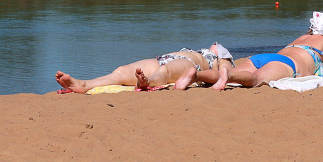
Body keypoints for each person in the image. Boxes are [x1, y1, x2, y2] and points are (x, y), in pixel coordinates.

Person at [195, 12, 323, 90]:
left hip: (268, 57)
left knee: (231, 72)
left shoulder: (301, 38)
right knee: (255, 79)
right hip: (286, 64)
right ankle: (230, 76)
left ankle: (196, 75)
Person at [55, 43, 235, 93]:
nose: (213, 44)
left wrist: (224, 64)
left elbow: (225, 71)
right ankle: (83, 84)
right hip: (163, 58)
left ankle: (146, 83)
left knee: (164, 73)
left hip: (189, 65)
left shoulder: (221, 56)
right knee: (122, 71)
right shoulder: (199, 49)